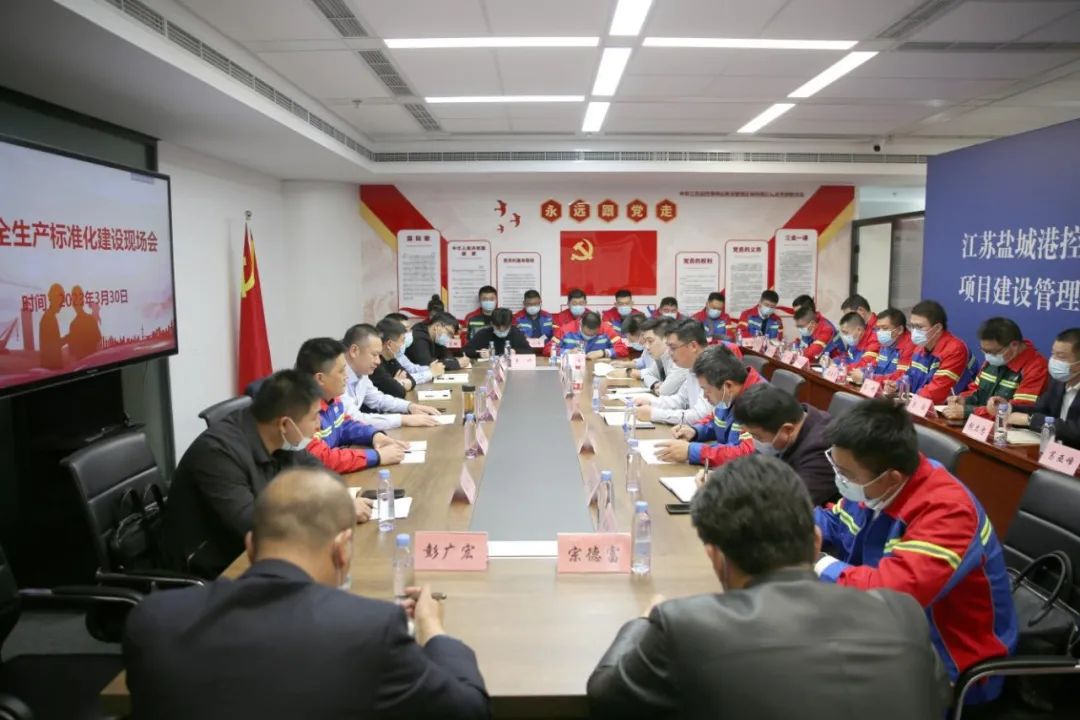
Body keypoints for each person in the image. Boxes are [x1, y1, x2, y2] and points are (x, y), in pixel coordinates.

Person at [588, 455, 948, 720]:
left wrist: (642, 622)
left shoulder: (683, 626)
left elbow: (606, 696)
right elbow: (937, 698)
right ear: (816, 541)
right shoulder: (903, 615)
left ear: (715, 556)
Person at [128, 467, 490, 720]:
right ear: (343, 549)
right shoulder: (373, 630)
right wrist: (432, 629)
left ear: (250, 546)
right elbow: (468, 710)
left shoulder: (153, 620)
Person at [815, 399, 1017, 704]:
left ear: (891, 478)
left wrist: (816, 561)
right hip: (889, 632)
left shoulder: (948, 512)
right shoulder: (875, 485)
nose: (840, 480)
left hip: (951, 657)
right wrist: (790, 523)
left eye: (846, 474)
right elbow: (835, 522)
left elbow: (891, 596)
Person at [162, 370, 373, 578]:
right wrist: (331, 510)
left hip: (257, 553)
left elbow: (318, 471)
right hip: (217, 569)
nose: (319, 425)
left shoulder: (278, 436)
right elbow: (255, 526)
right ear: (285, 424)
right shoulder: (217, 455)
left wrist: (340, 499)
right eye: (314, 417)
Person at [295, 337, 405, 474]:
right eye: (341, 371)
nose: (346, 376)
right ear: (320, 378)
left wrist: (374, 435)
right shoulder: (302, 413)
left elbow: (346, 425)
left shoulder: (332, 398)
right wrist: (376, 456)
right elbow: (323, 459)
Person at [655, 344, 766, 465]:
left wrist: (692, 451)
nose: (704, 396)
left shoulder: (760, 403)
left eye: (706, 389)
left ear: (728, 385)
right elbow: (716, 422)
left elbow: (746, 454)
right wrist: (695, 431)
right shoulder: (727, 395)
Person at [732, 384, 836, 504]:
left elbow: (786, 504)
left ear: (787, 429)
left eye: (757, 436)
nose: (754, 441)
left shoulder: (821, 453)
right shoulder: (792, 418)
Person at [942, 317, 1047, 421]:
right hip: (979, 424)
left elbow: (1018, 410)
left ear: (1014, 345)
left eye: (992, 352)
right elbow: (975, 390)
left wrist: (969, 412)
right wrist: (964, 400)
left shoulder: (1036, 367)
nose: (988, 356)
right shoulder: (994, 358)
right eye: (984, 351)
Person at [342, 323, 441, 431]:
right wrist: (403, 419)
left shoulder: (361, 372)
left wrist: (409, 406)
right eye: (374, 355)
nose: (378, 361)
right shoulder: (338, 377)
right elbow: (354, 419)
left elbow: (378, 399)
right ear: (354, 351)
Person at [888, 300, 977, 404]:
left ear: (937, 328)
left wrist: (911, 402)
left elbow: (937, 392)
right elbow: (911, 376)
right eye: (912, 326)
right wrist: (898, 385)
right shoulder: (920, 347)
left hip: (949, 408)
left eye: (919, 327)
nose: (914, 331)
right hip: (921, 404)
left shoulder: (955, 350)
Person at [1009, 327, 1080, 449]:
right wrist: (1010, 408)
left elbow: (1076, 431)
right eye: (1053, 354)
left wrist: (1030, 420)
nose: (1054, 361)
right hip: (1054, 450)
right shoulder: (1058, 381)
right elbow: (1041, 409)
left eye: (1061, 357)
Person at [633, 319, 713, 425]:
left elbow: (699, 416)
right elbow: (680, 400)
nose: (669, 352)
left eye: (673, 348)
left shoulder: (712, 369)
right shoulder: (693, 367)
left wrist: (654, 414)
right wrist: (651, 402)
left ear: (693, 346)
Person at [850, 307, 915, 387]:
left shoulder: (910, 345)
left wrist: (868, 378)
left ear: (899, 330)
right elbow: (874, 365)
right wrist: (862, 371)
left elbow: (899, 377)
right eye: (878, 328)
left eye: (884, 328)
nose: (880, 332)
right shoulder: (887, 342)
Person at [383, 313, 444, 384]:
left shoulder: (399, 353)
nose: (409, 333)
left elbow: (412, 368)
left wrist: (430, 368)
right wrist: (430, 373)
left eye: (409, 329)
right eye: (405, 330)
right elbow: (402, 380)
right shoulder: (384, 356)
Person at [547, 310, 628, 359]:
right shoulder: (566, 330)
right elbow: (548, 348)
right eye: (587, 333)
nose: (589, 336)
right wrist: (567, 352)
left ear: (599, 326)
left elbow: (622, 349)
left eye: (594, 334)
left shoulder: (606, 329)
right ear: (581, 324)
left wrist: (603, 353)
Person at [370, 318, 416, 398]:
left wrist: (397, 383)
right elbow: (398, 391)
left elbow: (412, 381)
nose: (403, 344)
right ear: (389, 344)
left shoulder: (391, 359)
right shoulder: (376, 364)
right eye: (402, 340)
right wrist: (396, 383)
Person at [464, 307, 532, 359]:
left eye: (505, 328)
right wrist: (479, 354)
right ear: (492, 324)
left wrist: (516, 351)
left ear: (510, 324)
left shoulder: (516, 333)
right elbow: (465, 350)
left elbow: (530, 351)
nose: (501, 330)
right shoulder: (483, 334)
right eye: (497, 327)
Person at [66, 285, 102, 360]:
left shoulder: (74, 324)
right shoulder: (89, 320)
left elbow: (72, 353)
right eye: (75, 297)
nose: (77, 300)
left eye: (79, 296)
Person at [39, 282, 64, 369]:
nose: (61, 305)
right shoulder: (48, 318)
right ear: (54, 299)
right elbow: (53, 345)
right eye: (60, 302)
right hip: (51, 369)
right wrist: (69, 337)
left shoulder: (50, 316)